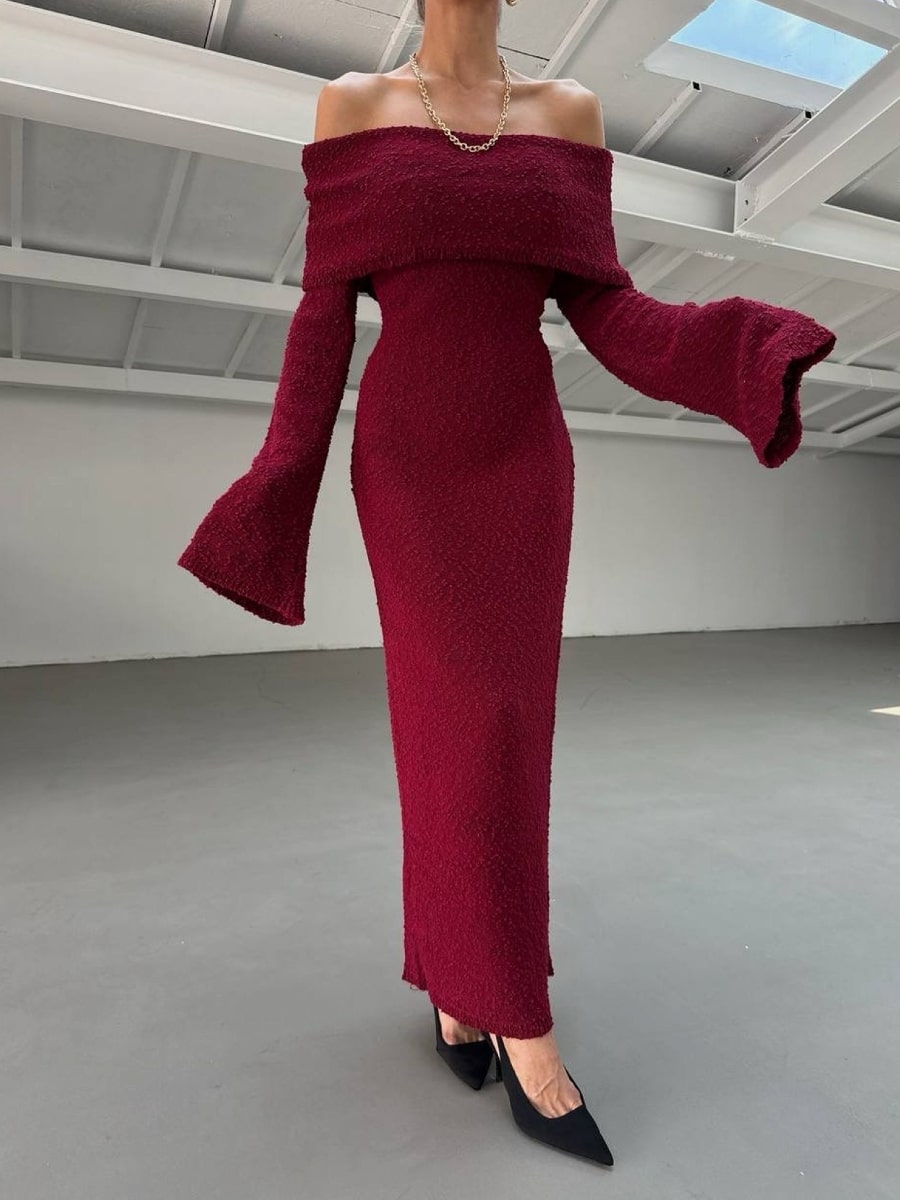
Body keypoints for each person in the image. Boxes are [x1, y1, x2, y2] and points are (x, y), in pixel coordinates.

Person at [177, 0, 836, 1166]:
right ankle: (519, 1021)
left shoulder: (569, 115)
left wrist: (742, 348)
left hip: (524, 464)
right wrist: (279, 481)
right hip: (411, 468)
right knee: (458, 730)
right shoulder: (353, 106)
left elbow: (608, 311)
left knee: (501, 734)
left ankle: (458, 991)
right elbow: (323, 318)